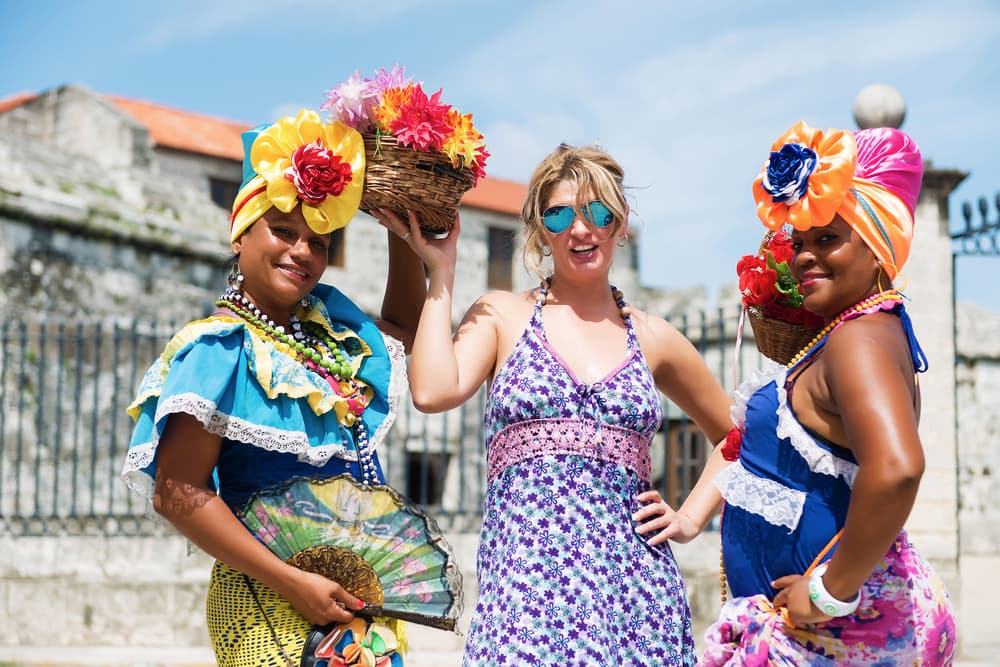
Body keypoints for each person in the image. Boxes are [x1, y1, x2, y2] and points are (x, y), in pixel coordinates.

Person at [374, 143, 733, 665]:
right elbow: (431, 392)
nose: (581, 229)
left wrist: (691, 518)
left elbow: (736, 439)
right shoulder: (501, 314)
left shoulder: (656, 337)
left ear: (621, 223)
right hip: (525, 598)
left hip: (636, 600)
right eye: (560, 214)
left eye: (598, 213)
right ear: (540, 228)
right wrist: (442, 273)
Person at [121, 109, 426, 666]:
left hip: (358, 606)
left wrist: (400, 227)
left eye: (320, 241)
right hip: (266, 604)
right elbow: (177, 493)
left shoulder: (329, 336)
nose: (302, 253)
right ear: (240, 235)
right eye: (283, 232)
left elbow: (405, 333)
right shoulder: (216, 350)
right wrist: (292, 582)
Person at [666, 121, 957, 665]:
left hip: (828, 632)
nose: (802, 256)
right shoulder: (862, 330)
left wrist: (829, 591)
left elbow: (896, 468)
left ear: (877, 247)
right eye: (797, 242)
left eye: (827, 238)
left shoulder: (858, 339)